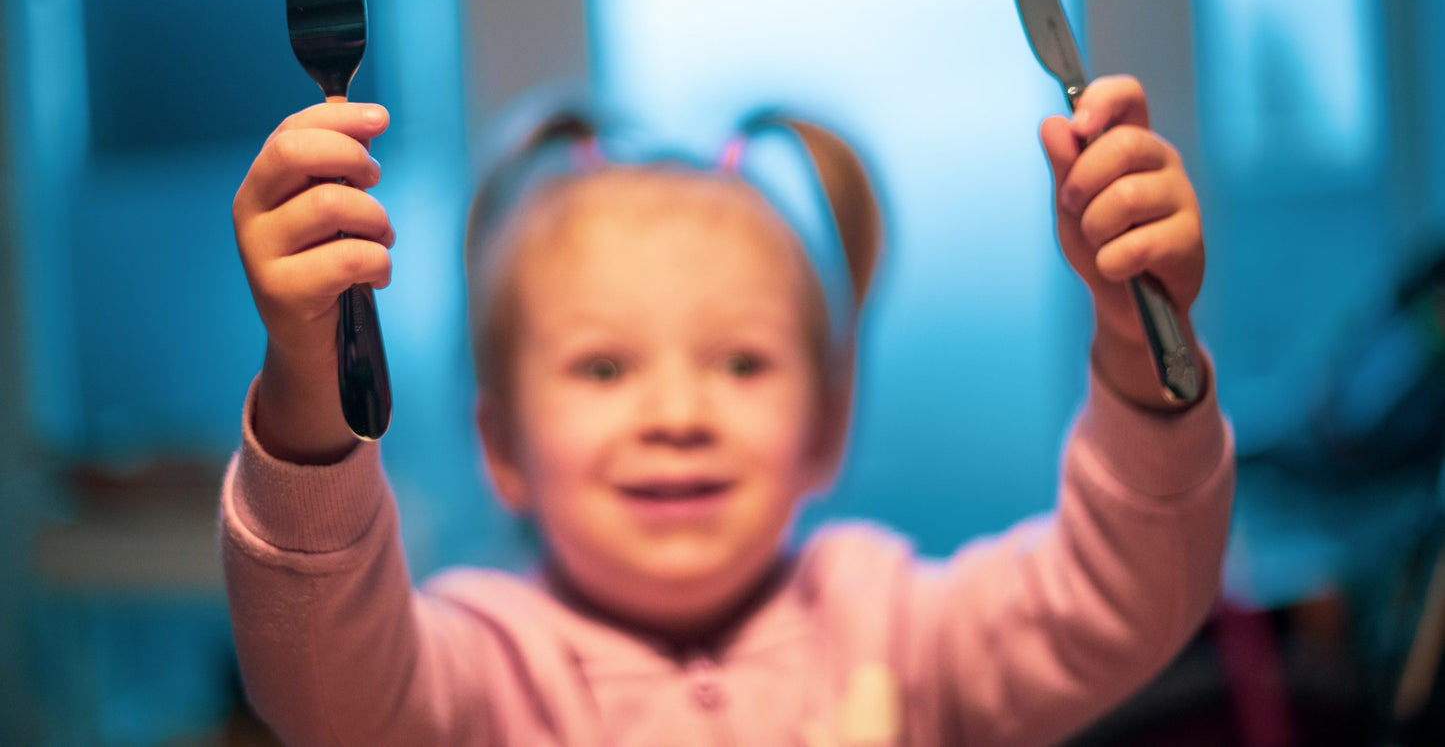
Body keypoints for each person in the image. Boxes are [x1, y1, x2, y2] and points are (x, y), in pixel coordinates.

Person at [223, 76, 1234, 746]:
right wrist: (309, 381)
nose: (676, 412)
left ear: (827, 426)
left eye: (741, 362)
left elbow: (1125, 597)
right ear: (503, 446)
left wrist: (1140, 340)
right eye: (604, 367)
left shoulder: (893, 628)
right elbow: (319, 682)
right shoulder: (481, 668)